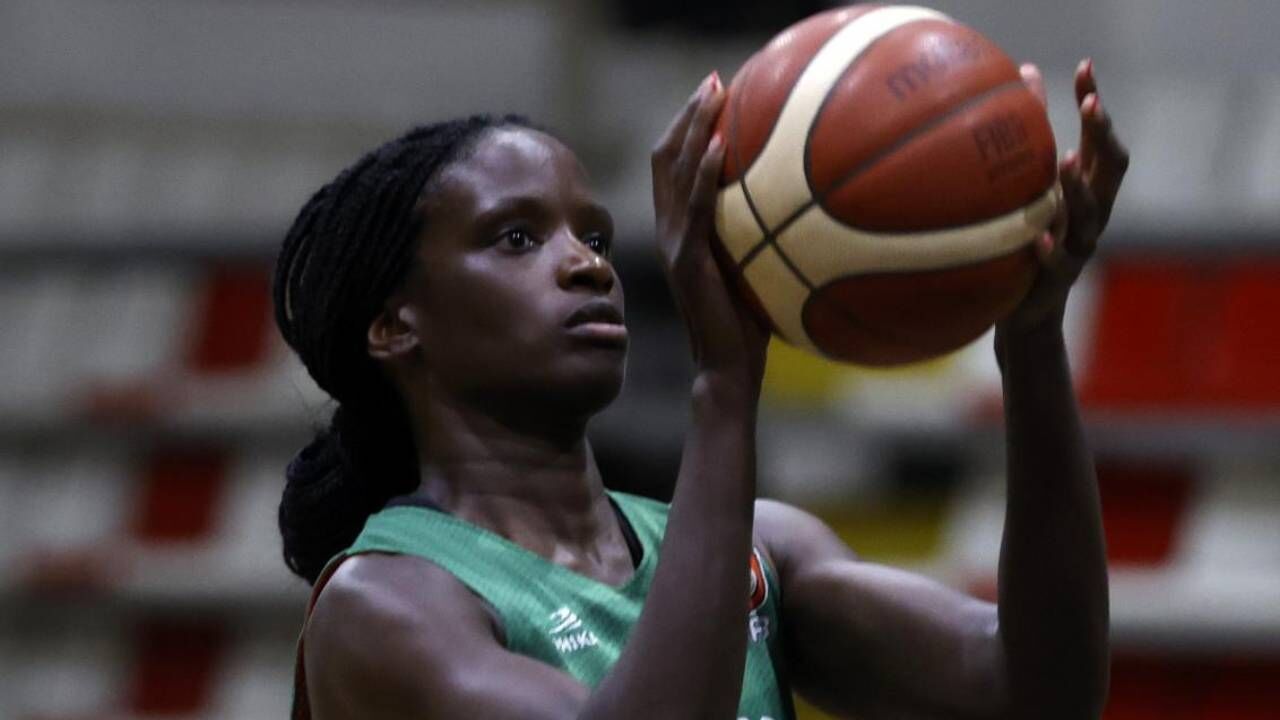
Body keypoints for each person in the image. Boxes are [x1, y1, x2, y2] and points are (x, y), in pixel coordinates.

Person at [274, 57, 1128, 719]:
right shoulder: (384, 601)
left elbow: (1038, 690)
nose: (585, 265)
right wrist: (724, 383)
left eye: (597, 238)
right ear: (396, 326)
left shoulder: (763, 554)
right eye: (516, 237)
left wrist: (1031, 336)